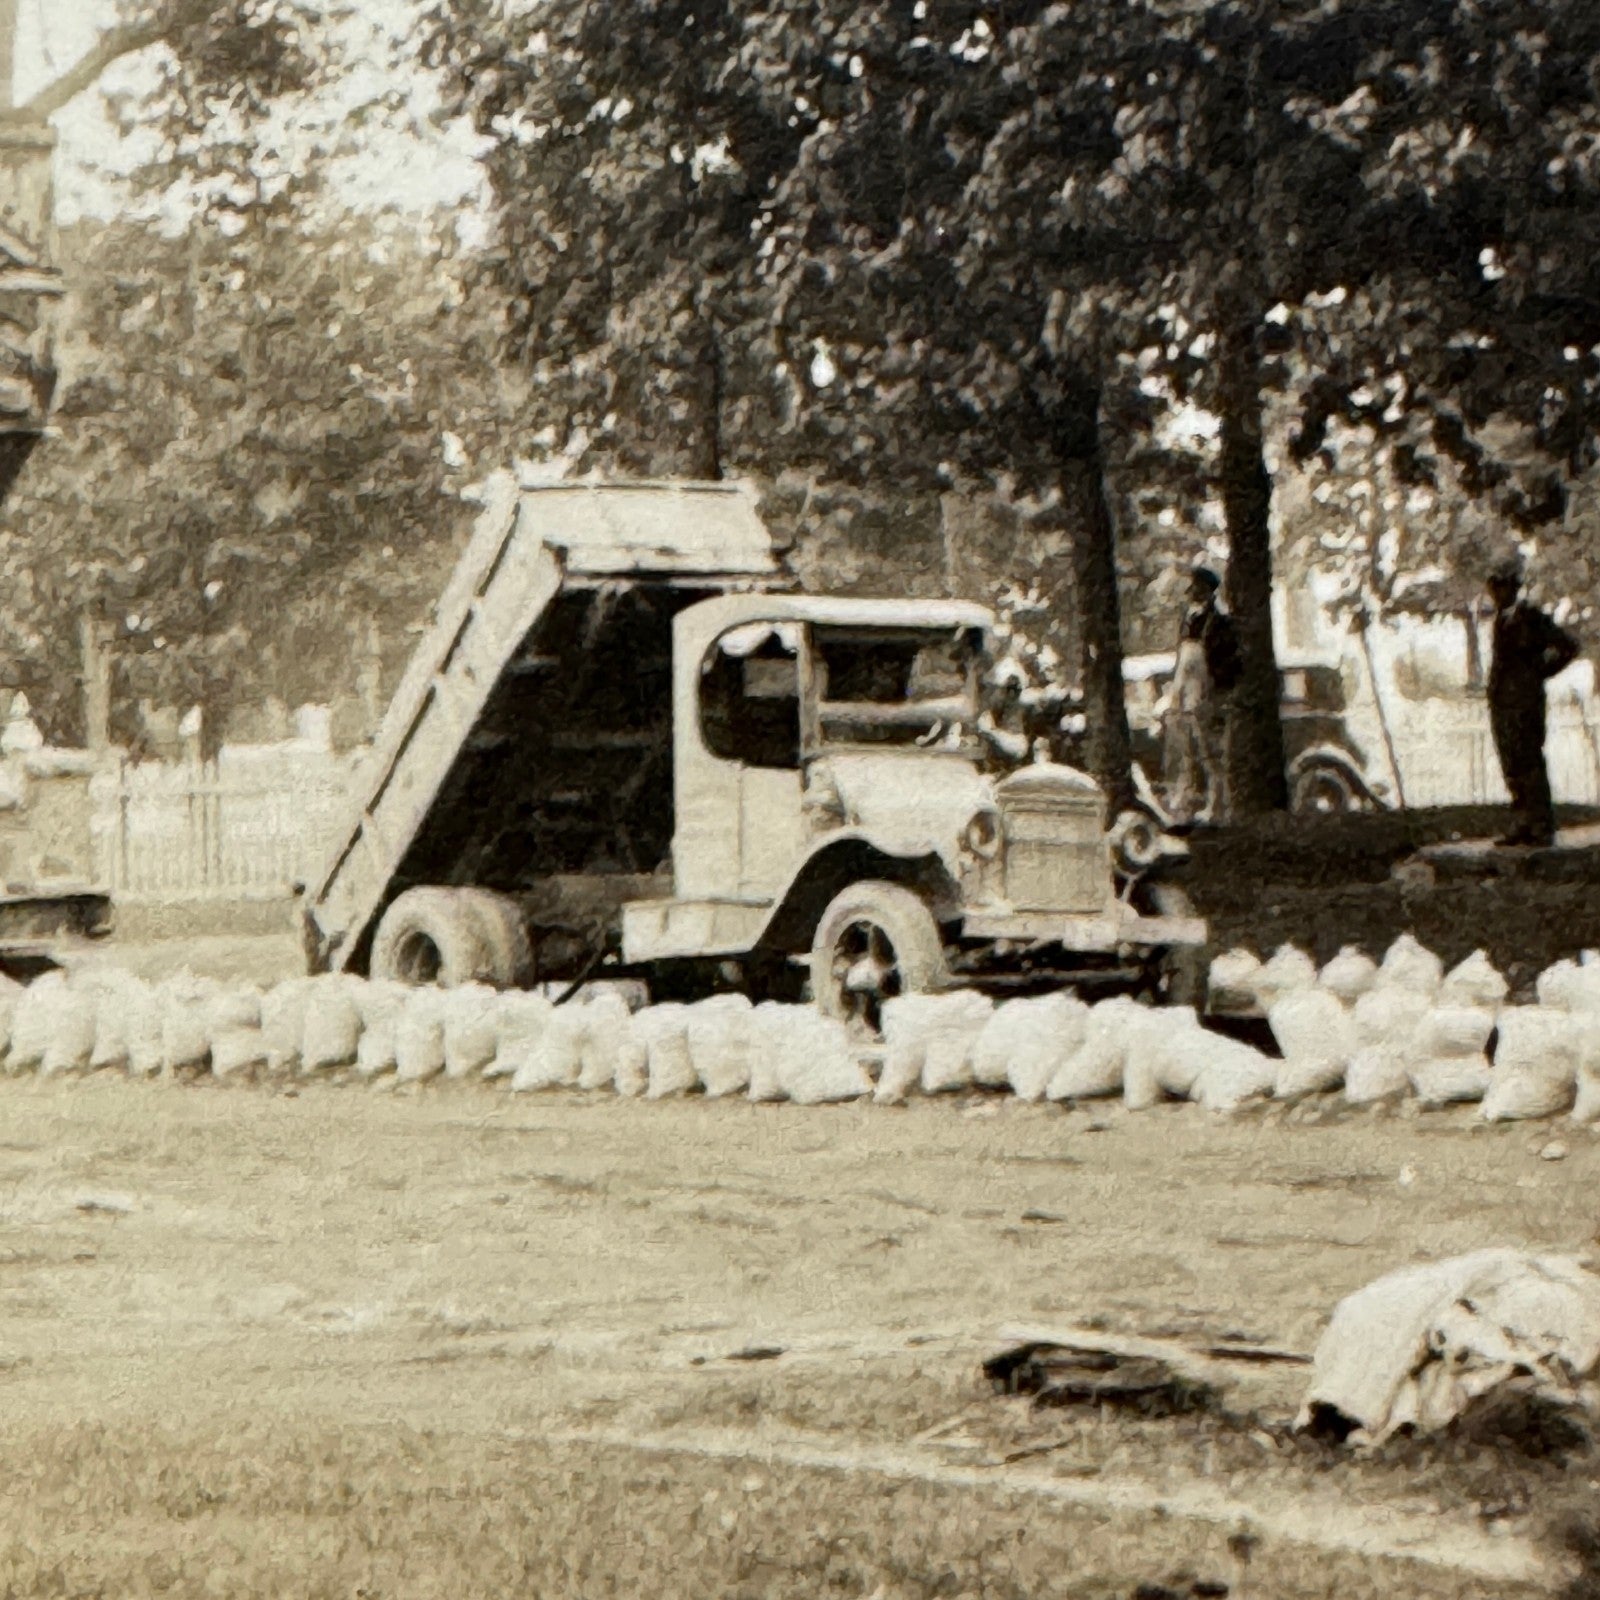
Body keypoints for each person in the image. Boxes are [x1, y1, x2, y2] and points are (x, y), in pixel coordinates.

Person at [1487, 556, 1579, 848]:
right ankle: (1523, 822)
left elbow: (1568, 646)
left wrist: (1539, 673)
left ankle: (1541, 825)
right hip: (1503, 703)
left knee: (1529, 763)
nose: (1496, 593)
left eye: (1501, 587)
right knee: (1511, 764)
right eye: (1493, 587)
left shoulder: (1531, 617)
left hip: (1526, 703)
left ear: (1513, 587)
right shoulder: (1500, 620)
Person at [1164, 563, 1241, 824]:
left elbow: (1221, 664)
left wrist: (1212, 691)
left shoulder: (1219, 623)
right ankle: (1192, 801)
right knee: (1192, 753)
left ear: (1208, 591)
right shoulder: (1188, 620)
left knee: (1214, 754)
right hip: (1188, 695)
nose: (1191, 591)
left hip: (1209, 695)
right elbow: (1183, 663)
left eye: (1197, 587)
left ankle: (1219, 806)